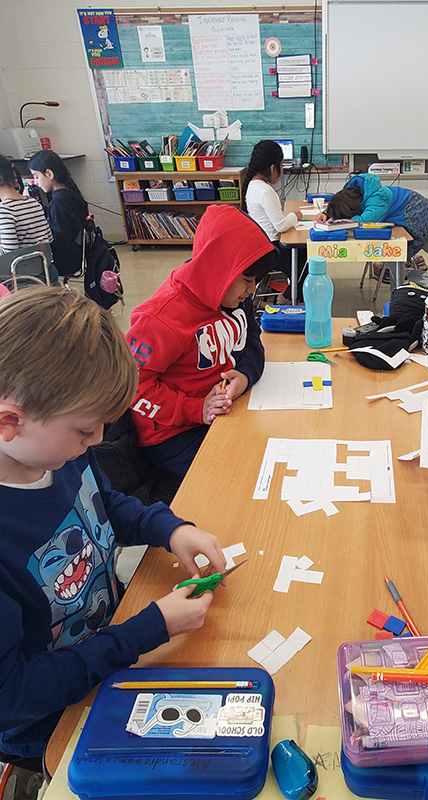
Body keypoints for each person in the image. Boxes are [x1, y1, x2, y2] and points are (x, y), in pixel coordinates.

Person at [0, 286, 227, 767]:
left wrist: (168, 529)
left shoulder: (54, 453)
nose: (99, 441)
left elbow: (103, 503)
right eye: (85, 430)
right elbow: (13, 694)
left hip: (111, 644)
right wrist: (147, 630)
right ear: (8, 423)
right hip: (51, 717)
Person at [125, 204, 275, 478]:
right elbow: (130, 386)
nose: (252, 290)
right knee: (247, 477)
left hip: (218, 410)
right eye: (247, 280)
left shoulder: (233, 295)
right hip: (173, 435)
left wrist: (244, 375)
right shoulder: (160, 319)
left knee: (274, 447)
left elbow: (252, 336)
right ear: (221, 270)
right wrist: (195, 409)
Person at [324, 172, 428, 277]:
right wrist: (326, 213)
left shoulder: (378, 200)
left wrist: (345, 222)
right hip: (408, 210)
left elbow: (362, 222)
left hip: (417, 214)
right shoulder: (353, 191)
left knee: (423, 246)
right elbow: (339, 203)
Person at [242, 140, 304, 301]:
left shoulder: (252, 185)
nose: (282, 170)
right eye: (282, 166)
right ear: (272, 168)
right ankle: (294, 294)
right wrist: (296, 216)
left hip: (261, 244)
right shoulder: (265, 191)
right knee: (305, 257)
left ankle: (294, 289)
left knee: (302, 253)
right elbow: (281, 225)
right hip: (271, 249)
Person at [28, 150, 88, 277]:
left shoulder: (58, 203)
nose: (35, 182)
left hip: (67, 261)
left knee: (28, 264)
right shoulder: (70, 193)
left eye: (36, 176)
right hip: (78, 254)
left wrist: (41, 240)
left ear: (49, 174)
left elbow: (61, 241)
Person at [0, 155, 52, 255]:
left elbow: (9, 254)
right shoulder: (33, 202)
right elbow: (49, 238)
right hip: (47, 267)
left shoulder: (4, 211)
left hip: (22, 269)